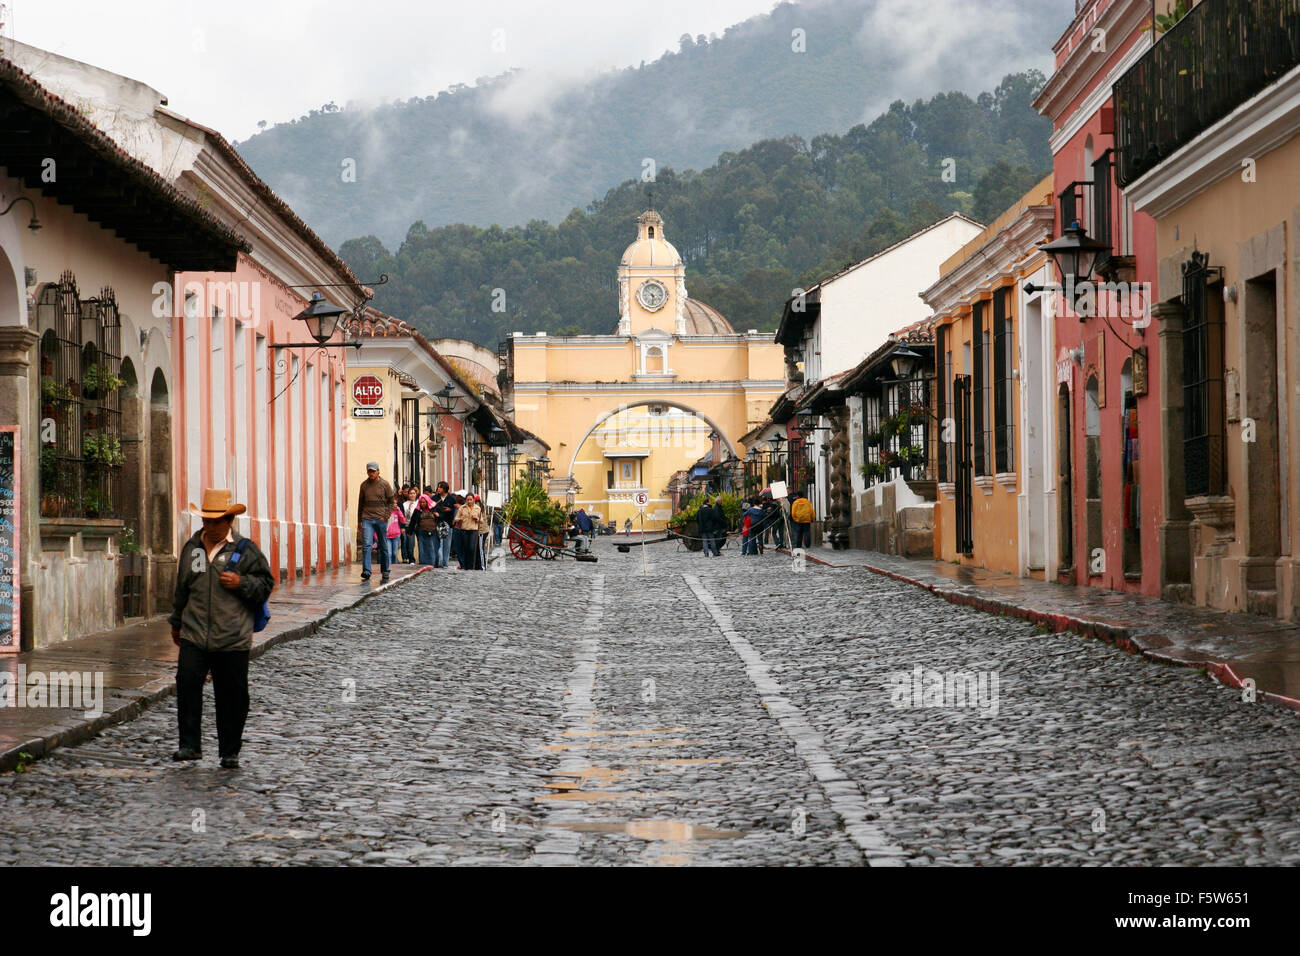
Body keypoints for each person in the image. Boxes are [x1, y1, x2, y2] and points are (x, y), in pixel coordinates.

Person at [169, 489, 274, 770]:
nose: (210, 526)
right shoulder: (194, 549)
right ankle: (189, 745)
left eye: (216, 521)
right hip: (194, 632)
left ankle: (230, 751)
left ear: (229, 521)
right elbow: (183, 588)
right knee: (188, 685)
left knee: (232, 696)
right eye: (206, 521)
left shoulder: (245, 550)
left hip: (232, 636)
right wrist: (177, 622)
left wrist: (241, 583)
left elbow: (265, 584)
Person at [357, 462, 394, 582]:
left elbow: (391, 501)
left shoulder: (385, 484)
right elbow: (360, 503)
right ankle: (367, 571)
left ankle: (385, 570)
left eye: (373, 471)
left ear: (378, 471)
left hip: (380, 519)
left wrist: (386, 516)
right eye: (369, 471)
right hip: (367, 518)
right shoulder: (364, 485)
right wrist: (359, 520)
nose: (371, 473)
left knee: (383, 545)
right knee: (367, 545)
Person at [454, 493, 483, 570]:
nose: (469, 501)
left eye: (471, 499)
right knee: (465, 548)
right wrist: (460, 519)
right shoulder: (462, 508)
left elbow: (482, 520)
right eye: (468, 500)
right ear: (465, 500)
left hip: (474, 530)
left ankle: (472, 565)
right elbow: (455, 519)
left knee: (472, 548)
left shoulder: (478, 508)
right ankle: (466, 566)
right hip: (464, 530)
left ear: (473, 500)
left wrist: (477, 518)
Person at [432, 482, 456, 568]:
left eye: (440, 487)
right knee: (438, 544)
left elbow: (454, 511)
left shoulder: (451, 499)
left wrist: (450, 510)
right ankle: (439, 562)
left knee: (446, 545)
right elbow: (431, 508)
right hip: (437, 523)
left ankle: (445, 563)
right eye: (438, 487)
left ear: (444, 489)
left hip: (447, 524)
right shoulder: (435, 498)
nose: (438, 489)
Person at [414, 489, 437, 566]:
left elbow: (440, 517)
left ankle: (431, 563)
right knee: (422, 547)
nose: (422, 504)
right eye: (421, 502)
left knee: (431, 547)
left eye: (424, 502)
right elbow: (413, 521)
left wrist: (438, 515)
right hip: (421, 531)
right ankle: (423, 563)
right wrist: (410, 532)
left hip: (432, 531)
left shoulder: (433, 508)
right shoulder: (417, 510)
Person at [401, 487, 419, 564]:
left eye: (413, 493)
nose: (412, 495)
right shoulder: (404, 504)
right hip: (408, 525)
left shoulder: (419, 503)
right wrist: (409, 508)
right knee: (409, 543)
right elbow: (404, 516)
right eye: (410, 493)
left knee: (419, 542)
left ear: (416, 494)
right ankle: (410, 559)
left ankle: (421, 558)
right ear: (408, 495)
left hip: (417, 525)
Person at [386, 496, 405, 564]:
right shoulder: (386, 512)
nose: (395, 505)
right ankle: (389, 568)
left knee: (394, 553)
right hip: (387, 536)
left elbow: (403, 520)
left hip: (396, 535)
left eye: (396, 503)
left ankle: (395, 567)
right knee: (389, 554)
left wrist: (399, 511)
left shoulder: (397, 512)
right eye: (394, 503)